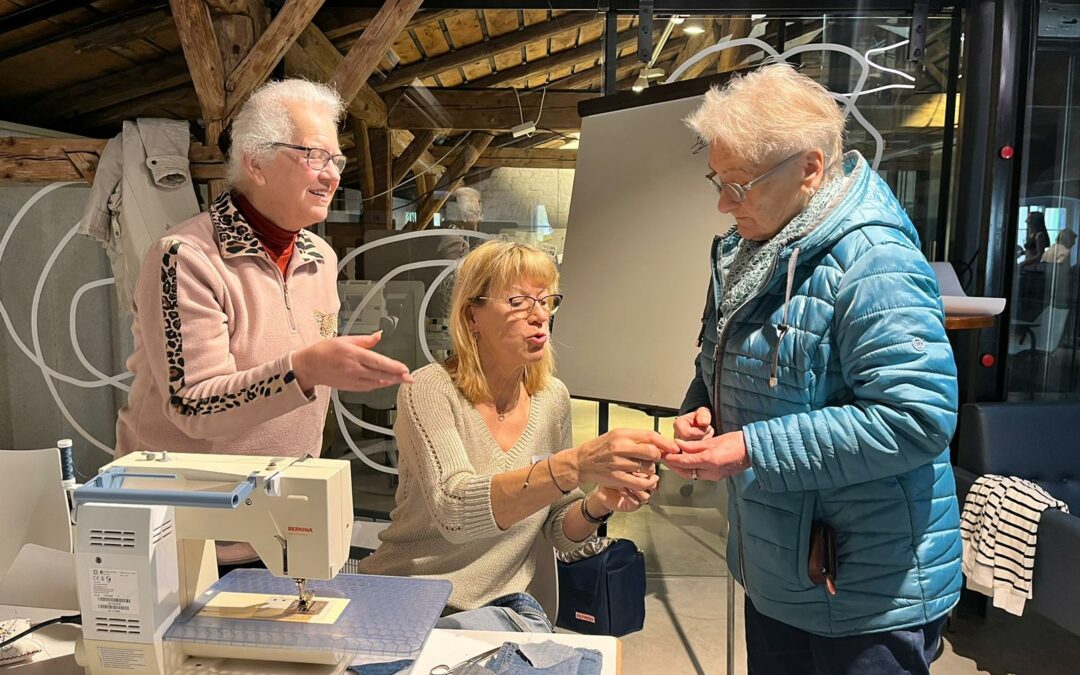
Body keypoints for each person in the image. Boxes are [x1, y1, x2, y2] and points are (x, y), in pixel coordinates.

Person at [663, 64, 961, 674]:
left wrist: (749, 447)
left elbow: (916, 419)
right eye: (717, 180)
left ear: (810, 167)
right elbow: (721, 357)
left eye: (739, 185)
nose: (723, 203)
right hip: (782, 565)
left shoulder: (873, 261)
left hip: (865, 589)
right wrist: (703, 405)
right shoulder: (750, 251)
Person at [114, 79, 413, 566]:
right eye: (315, 156)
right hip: (184, 535)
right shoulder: (185, 257)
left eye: (337, 160)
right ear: (255, 161)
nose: (333, 175)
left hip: (284, 523)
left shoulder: (319, 255)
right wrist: (305, 369)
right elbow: (192, 406)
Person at [359, 240, 676, 631]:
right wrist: (575, 464)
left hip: (502, 610)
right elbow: (455, 510)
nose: (539, 316)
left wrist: (600, 501)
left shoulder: (552, 398)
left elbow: (560, 530)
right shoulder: (430, 389)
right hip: (409, 599)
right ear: (472, 315)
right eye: (518, 302)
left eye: (546, 301)